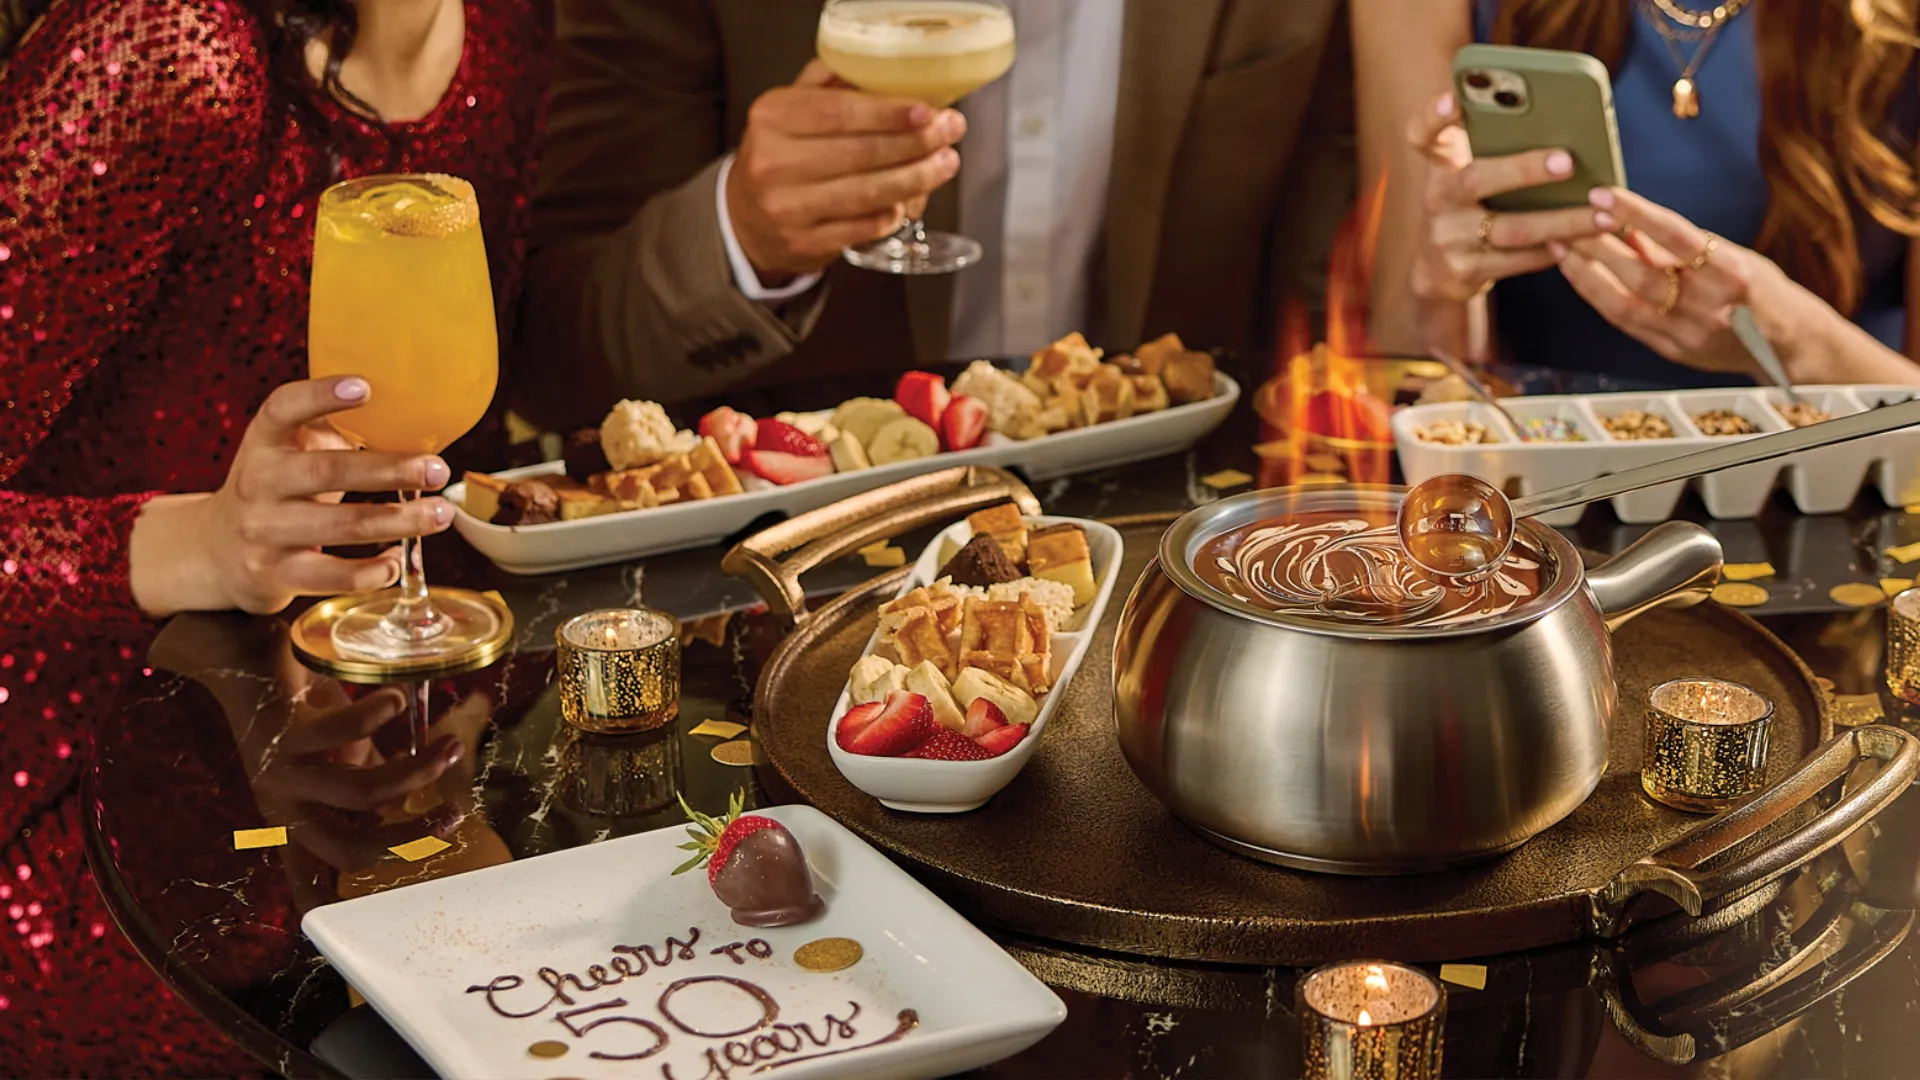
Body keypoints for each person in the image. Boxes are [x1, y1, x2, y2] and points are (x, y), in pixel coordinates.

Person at [0, 0, 549, 1071]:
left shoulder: (507, 28)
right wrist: (188, 546)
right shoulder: (167, 50)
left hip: (300, 760)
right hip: (61, 813)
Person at [516, 0, 1354, 423]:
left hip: (1163, 549)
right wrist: (743, 233)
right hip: (786, 577)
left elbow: (1331, 313)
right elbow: (557, 352)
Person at [1359, 0, 1920, 387]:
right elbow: (1403, 365)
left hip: (1843, 502)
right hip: (1542, 501)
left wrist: (1797, 344)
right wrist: (1444, 287)